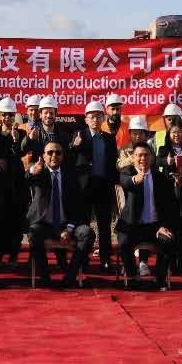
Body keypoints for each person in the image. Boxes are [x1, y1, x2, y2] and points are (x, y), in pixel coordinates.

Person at [25, 140, 94, 287]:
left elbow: (77, 207)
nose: (54, 155)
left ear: (63, 156)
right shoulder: (39, 173)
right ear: (43, 156)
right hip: (44, 224)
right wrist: (31, 171)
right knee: (33, 232)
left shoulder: (71, 176)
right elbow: (24, 180)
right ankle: (45, 278)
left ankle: (70, 276)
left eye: (58, 153)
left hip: (65, 224)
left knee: (87, 233)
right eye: (50, 153)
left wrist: (69, 228)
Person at [116, 143, 177, 291]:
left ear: (151, 157)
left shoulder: (160, 177)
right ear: (133, 157)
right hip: (132, 225)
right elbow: (125, 181)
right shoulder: (127, 172)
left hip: (155, 226)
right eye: (139, 155)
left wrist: (163, 225)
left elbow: (170, 206)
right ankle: (132, 277)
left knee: (168, 240)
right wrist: (136, 180)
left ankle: (160, 279)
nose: (143, 158)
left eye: (146, 155)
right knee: (124, 242)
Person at [72, 100, 119, 272]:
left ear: (103, 118)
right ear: (86, 119)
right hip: (84, 187)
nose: (95, 120)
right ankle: (82, 259)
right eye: (91, 117)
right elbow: (69, 156)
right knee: (83, 224)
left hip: (103, 186)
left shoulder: (109, 138)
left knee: (104, 225)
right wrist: (74, 146)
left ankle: (106, 259)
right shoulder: (79, 135)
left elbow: (113, 163)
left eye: (98, 116)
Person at [0, 97, 30, 265]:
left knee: (15, 221)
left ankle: (13, 255)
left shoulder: (21, 134)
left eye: (10, 115)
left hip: (16, 184)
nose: (7, 118)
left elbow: (22, 152)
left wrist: (15, 140)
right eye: (4, 114)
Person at [156, 120, 182, 273]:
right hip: (169, 193)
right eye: (174, 132)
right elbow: (156, 162)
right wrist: (166, 161)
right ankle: (172, 265)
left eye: (179, 132)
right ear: (169, 135)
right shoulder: (164, 149)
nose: (177, 135)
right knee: (171, 226)